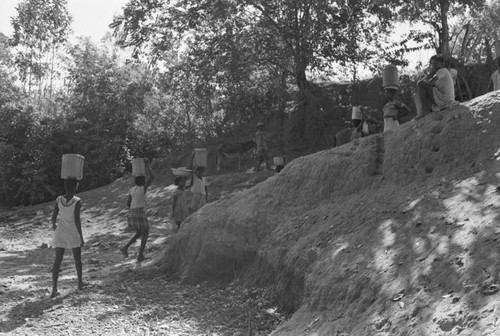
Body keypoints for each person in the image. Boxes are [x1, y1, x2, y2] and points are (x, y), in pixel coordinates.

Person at [50, 178, 85, 298]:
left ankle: (54, 289)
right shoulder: (77, 201)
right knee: (77, 260)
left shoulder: (59, 199)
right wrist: (81, 236)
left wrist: (54, 226)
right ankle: (80, 283)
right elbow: (77, 220)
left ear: (65, 186)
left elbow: (53, 218)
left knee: (57, 261)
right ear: (76, 187)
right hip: (72, 232)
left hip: (60, 232)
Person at [120, 159, 154, 262]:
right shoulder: (142, 188)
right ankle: (140, 255)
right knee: (146, 232)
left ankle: (125, 247)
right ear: (143, 181)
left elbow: (128, 203)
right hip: (139, 212)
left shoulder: (131, 190)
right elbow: (152, 177)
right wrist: (148, 165)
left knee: (139, 233)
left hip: (131, 212)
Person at [414, 54, 457, 120]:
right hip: (446, 99)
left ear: (442, 63)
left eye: (436, 63)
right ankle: (426, 109)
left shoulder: (442, 70)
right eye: (432, 64)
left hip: (446, 99)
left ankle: (424, 109)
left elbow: (431, 82)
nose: (434, 66)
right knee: (424, 87)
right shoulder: (441, 72)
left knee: (421, 83)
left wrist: (425, 79)